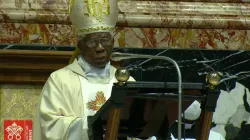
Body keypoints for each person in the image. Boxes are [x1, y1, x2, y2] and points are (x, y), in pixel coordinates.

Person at [32, 0, 135, 139]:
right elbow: (50, 126)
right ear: (80, 46)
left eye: (104, 40)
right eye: (92, 41)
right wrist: (94, 126)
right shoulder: (60, 80)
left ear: (113, 43)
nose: (100, 48)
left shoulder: (126, 80)